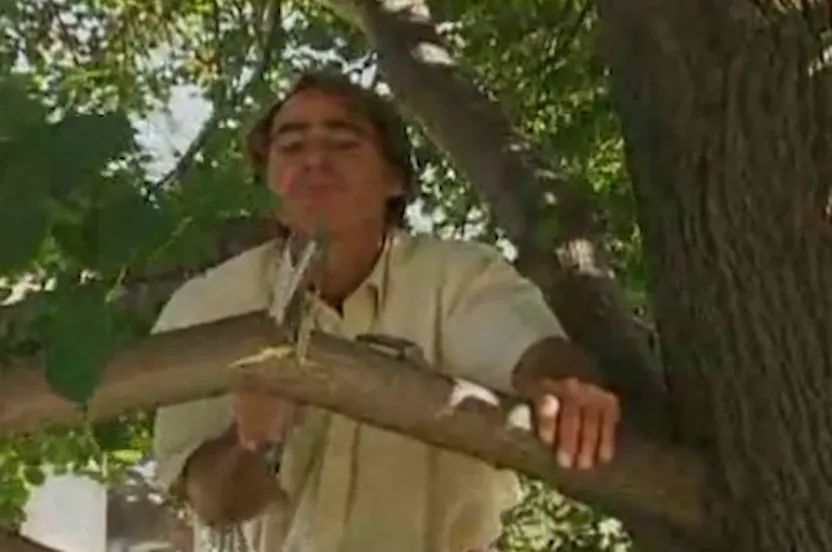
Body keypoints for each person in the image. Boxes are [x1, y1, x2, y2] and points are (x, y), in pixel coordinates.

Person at [151, 71, 620, 552]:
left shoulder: (456, 274)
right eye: (291, 147)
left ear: (394, 178)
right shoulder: (207, 305)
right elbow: (212, 501)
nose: (314, 159)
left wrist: (565, 387)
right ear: (266, 177)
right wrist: (250, 442)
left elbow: (528, 350)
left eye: (343, 143)